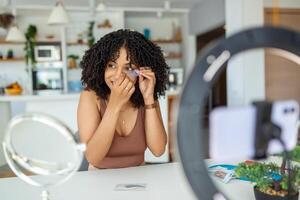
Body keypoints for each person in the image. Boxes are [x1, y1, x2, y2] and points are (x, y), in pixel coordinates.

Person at [77, 29, 169, 169]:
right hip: (99, 180)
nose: (118, 75)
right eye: (111, 65)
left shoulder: (146, 96)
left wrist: (149, 98)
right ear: (101, 67)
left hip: (139, 179)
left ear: (140, 72)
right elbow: (93, 157)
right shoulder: (89, 96)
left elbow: (158, 150)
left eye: (129, 67)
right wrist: (114, 105)